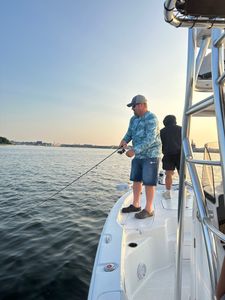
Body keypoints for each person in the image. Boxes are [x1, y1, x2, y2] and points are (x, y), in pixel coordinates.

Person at [119, 94, 161, 219]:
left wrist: (134, 150)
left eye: (134, 106)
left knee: (149, 182)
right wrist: (124, 140)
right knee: (136, 180)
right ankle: (136, 205)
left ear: (142, 105)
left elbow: (151, 139)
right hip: (138, 156)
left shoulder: (151, 118)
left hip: (151, 155)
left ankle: (149, 209)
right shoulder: (133, 119)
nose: (132, 109)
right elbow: (129, 133)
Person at [160, 115, 182, 199]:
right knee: (182, 174)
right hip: (180, 154)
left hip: (168, 154)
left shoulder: (162, 131)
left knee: (168, 174)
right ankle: (184, 191)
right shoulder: (181, 129)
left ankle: (168, 192)